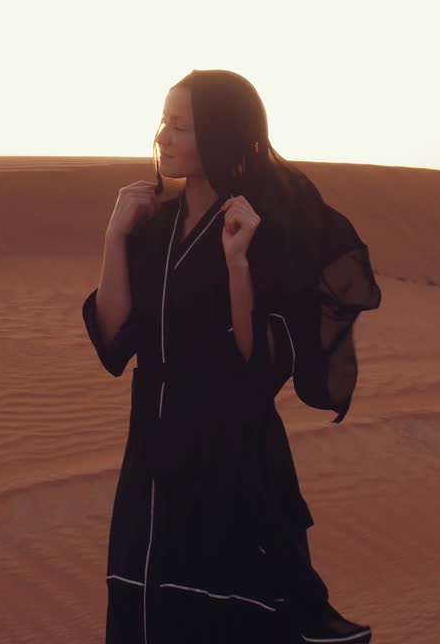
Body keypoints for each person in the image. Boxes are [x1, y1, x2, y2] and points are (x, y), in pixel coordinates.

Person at [83, 69, 381, 643]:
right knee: (143, 610)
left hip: (232, 459)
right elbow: (114, 341)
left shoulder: (263, 231)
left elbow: (255, 366)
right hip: (151, 458)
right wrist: (114, 238)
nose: (162, 137)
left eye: (180, 125)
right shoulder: (153, 229)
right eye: (163, 121)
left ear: (218, 135)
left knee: (232, 619)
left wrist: (237, 262)